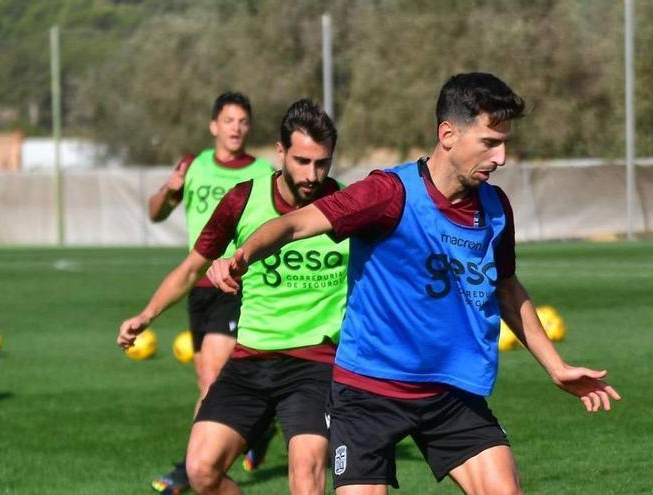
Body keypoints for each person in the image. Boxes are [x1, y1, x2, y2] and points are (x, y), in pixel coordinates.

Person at [206, 73, 622, 494]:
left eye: (505, 143)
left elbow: (507, 288)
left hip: (449, 390)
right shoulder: (387, 193)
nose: (501, 157)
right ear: (448, 135)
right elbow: (295, 225)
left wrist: (556, 366)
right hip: (368, 391)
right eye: (489, 143)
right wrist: (242, 255)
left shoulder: (496, 209)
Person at [119, 98, 347, 495]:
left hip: (315, 362)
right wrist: (147, 315)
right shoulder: (243, 199)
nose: (313, 174)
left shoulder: (347, 206)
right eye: (302, 161)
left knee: (306, 472)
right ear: (280, 152)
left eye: (322, 163)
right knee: (201, 470)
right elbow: (193, 267)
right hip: (250, 359)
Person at [145, 91, 274, 493]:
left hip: (234, 281)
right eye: (229, 121)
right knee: (205, 377)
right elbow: (155, 213)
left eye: (243, 121)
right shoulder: (194, 166)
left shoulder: (262, 173)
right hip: (197, 286)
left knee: (210, 378)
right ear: (213, 126)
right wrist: (169, 189)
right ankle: (260, 427)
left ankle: (193, 467)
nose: (236, 128)